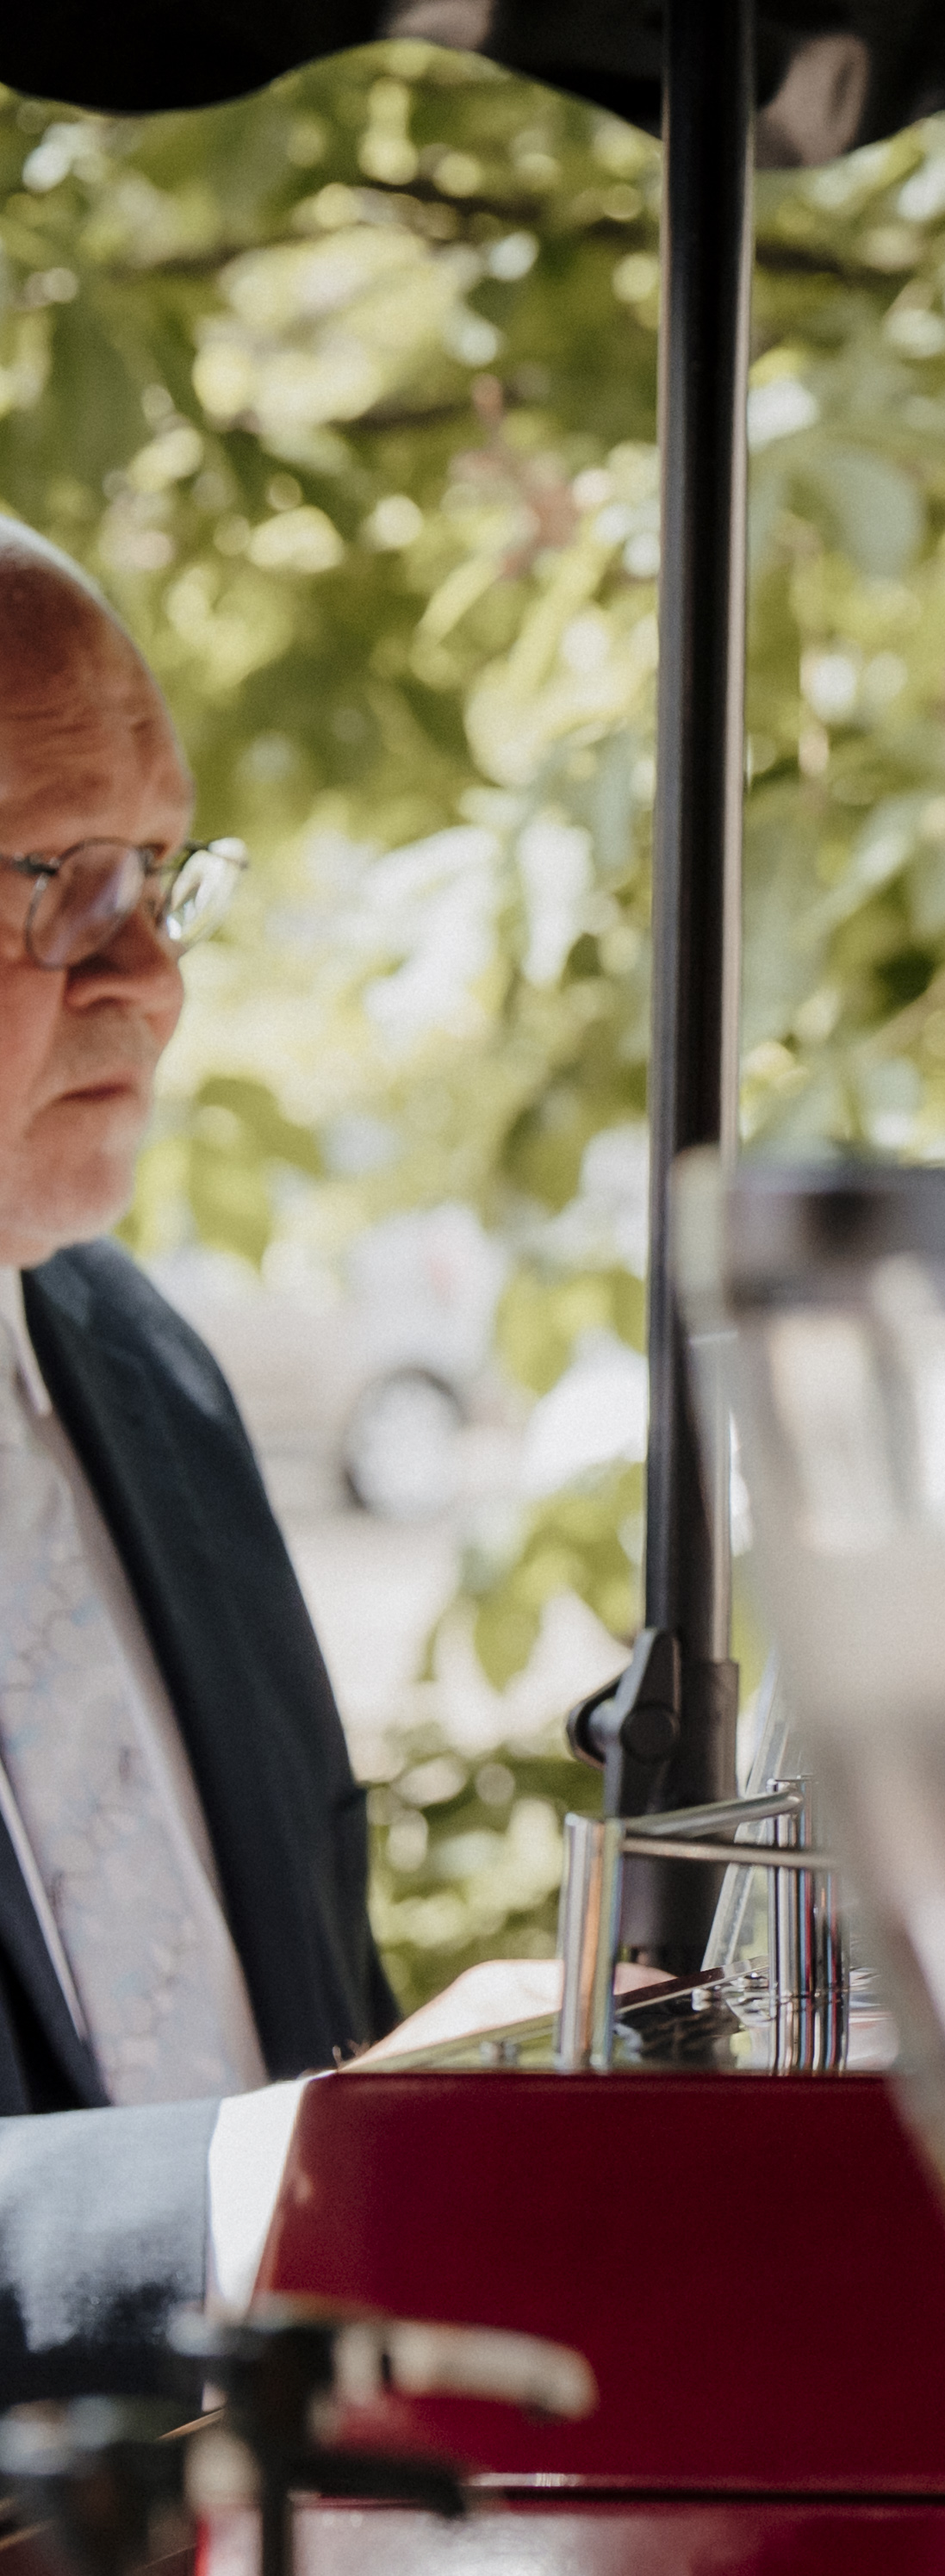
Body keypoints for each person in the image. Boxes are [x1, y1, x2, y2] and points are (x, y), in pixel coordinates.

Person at [0, 524, 394, 2392]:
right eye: (52, 880)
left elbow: (307, 2001)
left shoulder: (148, 1367)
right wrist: (271, 2192)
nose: (147, 972)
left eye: (156, 870)